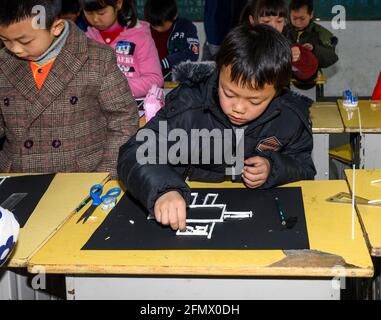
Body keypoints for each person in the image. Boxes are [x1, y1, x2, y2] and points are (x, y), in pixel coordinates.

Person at [118, 24, 316, 231]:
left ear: (277, 91)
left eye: (255, 101)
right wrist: (163, 189)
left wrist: (273, 169)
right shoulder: (189, 106)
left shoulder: (289, 117)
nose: (238, 108)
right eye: (229, 94)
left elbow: (304, 166)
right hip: (186, 201)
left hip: (255, 216)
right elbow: (134, 152)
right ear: (219, 72)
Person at [0, 0, 138, 177]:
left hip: (79, 174)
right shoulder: (4, 62)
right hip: (17, 173)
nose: (16, 49)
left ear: (56, 27)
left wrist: (105, 174)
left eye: (24, 41)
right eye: (5, 40)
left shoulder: (97, 58)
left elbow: (124, 119)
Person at [81, 0, 164, 99]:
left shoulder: (140, 37)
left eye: (101, 13)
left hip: (134, 109)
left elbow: (154, 79)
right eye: (89, 13)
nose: (95, 19)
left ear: (118, 4)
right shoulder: (85, 40)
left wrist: (118, 87)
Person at [246, 0, 318, 82]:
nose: (273, 26)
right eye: (266, 21)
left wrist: (299, 59)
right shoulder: (243, 44)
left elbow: (310, 73)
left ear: (285, 21)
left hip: (276, 92)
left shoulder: (285, 44)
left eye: (279, 21)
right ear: (252, 20)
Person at [144, 0, 199, 78]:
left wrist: (163, 63)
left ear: (174, 16)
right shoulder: (143, 30)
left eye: (161, 25)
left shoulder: (187, 27)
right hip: (150, 79)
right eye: (153, 25)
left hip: (177, 80)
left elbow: (192, 54)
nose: (158, 29)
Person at [284, 0, 338, 69]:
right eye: (294, 18)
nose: (298, 22)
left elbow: (332, 58)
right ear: (289, 14)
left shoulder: (322, 33)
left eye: (302, 18)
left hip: (310, 76)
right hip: (286, 74)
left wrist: (314, 49)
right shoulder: (283, 31)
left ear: (311, 14)